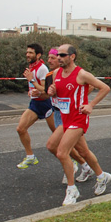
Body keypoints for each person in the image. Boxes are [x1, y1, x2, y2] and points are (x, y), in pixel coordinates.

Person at [46, 44, 111, 206]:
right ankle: (102, 176)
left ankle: (72, 189)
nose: (59, 58)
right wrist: (52, 92)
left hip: (79, 119)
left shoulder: (81, 74)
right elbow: (58, 93)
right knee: (56, 146)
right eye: (58, 55)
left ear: (72, 56)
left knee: (62, 152)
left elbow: (105, 88)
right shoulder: (56, 74)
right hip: (65, 118)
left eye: (62, 55)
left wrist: (90, 105)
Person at [33, 48, 93, 184]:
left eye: (54, 57)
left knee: (61, 147)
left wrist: (78, 100)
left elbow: (91, 87)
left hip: (69, 113)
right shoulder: (52, 75)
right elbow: (49, 95)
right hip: (58, 112)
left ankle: (79, 171)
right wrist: (38, 93)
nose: (51, 60)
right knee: (67, 147)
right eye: (51, 58)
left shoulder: (73, 73)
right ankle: (84, 168)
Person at [16, 43, 55, 169]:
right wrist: (31, 90)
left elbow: (45, 89)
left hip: (46, 103)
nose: (27, 55)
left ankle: (73, 158)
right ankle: (30, 157)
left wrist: (32, 81)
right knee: (21, 129)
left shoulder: (42, 68)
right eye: (27, 52)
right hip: (35, 103)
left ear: (38, 55)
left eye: (31, 53)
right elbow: (36, 87)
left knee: (58, 135)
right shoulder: (31, 67)